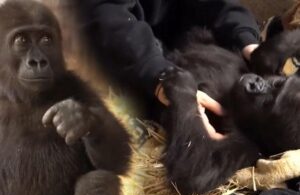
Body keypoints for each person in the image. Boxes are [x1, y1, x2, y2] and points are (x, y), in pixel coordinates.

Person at [75, 0, 260, 139]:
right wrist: (162, 77)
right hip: (108, 40)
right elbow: (105, 14)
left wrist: (247, 40)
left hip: (169, 38)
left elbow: (217, 4)